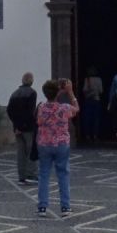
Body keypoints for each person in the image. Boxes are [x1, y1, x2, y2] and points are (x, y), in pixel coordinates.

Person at [35, 77, 79, 217]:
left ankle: (42, 206)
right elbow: (77, 109)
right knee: (63, 174)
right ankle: (65, 207)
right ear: (57, 92)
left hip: (44, 143)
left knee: (44, 174)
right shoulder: (64, 108)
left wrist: (56, 91)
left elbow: (38, 121)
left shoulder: (41, 107)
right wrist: (70, 92)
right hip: (61, 144)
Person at [6, 71, 39, 183]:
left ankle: (21, 176)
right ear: (31, 81)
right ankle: (31, 175)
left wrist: (16, 125)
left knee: (20, 153)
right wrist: (25, 125)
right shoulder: (32, 93)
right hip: (28, 128)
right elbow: (30, 112)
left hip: (17, 128)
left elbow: (9, 110)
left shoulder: (14, 93)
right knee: (31, 151)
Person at [79, 66, 105, 144]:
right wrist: (95, 91)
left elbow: (84, 90)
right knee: (96, 119)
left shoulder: (87, 79)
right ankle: (95, 136)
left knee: (87, 118)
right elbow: (101, 91)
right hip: (96, 100)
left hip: (88, 100)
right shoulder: (99, 79)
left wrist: (90, 92)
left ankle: (87, 136)